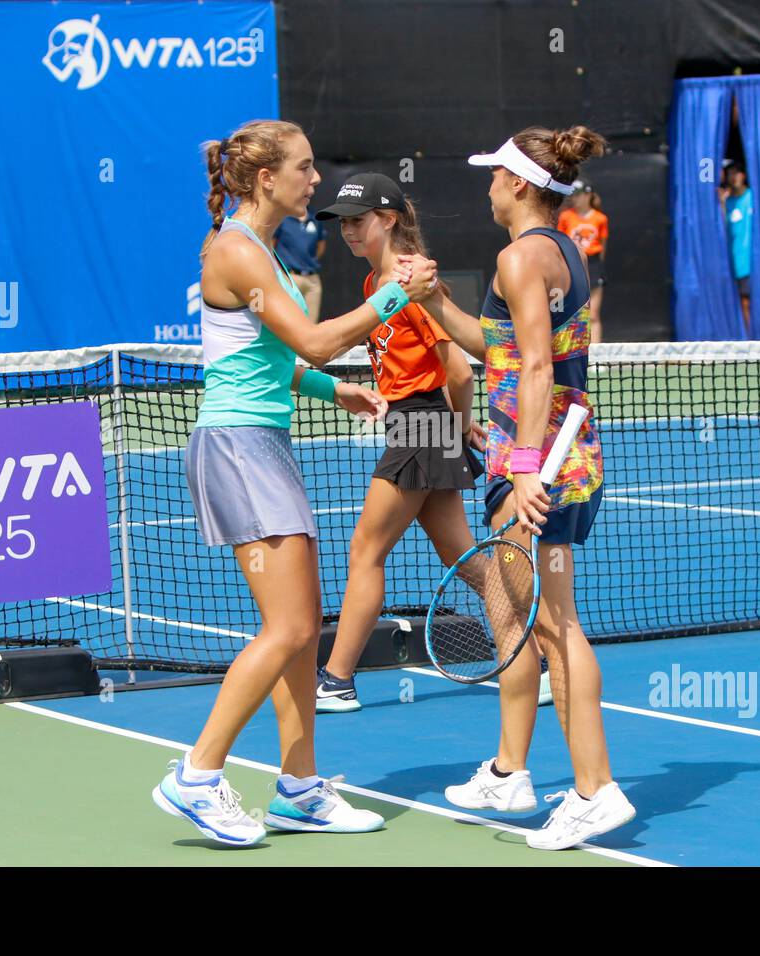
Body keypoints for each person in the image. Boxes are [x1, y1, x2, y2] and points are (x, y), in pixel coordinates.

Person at [151, 119, 438, 846]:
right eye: (305, 169)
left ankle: (300, 788)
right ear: (264, 179)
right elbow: (310, 339)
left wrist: (326, 392)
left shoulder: (266, 254)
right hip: (238, 447)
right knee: (287, 627)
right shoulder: (237, 252)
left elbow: (270, 358)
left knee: (304, 630)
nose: (316, 182)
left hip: (262, 440)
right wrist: (395, 295)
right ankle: (195, 775)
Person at [413, 126, 636, 850]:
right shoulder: (559, 251)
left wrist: (522, 468)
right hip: (568, 459)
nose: (485, 186)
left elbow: (536, 368)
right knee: (540, 616)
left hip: (540, 468)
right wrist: (438, 301)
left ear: (517, 183)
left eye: (492, 175)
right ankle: (512, 773)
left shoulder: (519, 257)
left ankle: (594, 790)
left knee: (553, 623)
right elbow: (500, 351)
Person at [310, 172, 484, 713]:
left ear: (387, 219)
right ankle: (541, 650)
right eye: (342, 223)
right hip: (416, 424)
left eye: (357, 221)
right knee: (462, 556)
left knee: (366, 549)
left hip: (422, 424)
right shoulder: (376, 288)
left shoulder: (413, 287)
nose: (347, 231)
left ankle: (336, 679)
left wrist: (457, 427)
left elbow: (459, 371)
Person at [556, 180, 608, 343]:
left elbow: (602, 246)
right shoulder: (566, 216)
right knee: (570, 313)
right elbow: (560, 242)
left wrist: (596, 267)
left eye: (578, 196)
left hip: (593, 266)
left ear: (588, 195)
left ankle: (596, 356)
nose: (575, 200)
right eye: (573, 196)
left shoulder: (600, 219)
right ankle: (571, 350)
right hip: (570, 265)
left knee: (593, 315)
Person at [718, 161, 753, 334]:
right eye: (730, 174)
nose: (734, 177)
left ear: (744, 175)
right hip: (736, 263)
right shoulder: (728, 202)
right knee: (743, 301)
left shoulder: (752, 197)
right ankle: (749, 339)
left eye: (737, 173)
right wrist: (722, 204)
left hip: (752, 262)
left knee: (751, 300)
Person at [273, 210, 326, 320]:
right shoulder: (283, 220)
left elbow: (321, 245)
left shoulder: (315, 220)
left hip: (312, 279)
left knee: (312, 324)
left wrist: (308, 262)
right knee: (288, 321)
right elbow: (272, 244)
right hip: (290, 277)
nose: (309, 192)